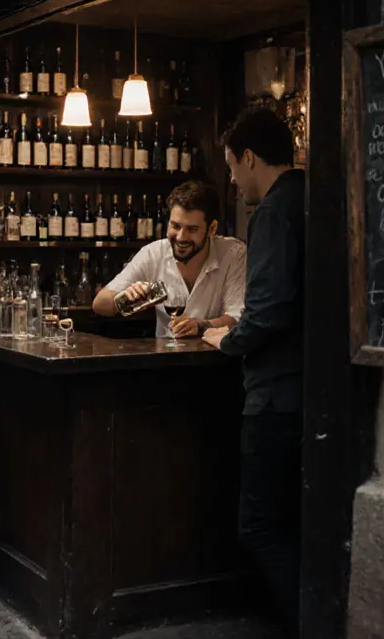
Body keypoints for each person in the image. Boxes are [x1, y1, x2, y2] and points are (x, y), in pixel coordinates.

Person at [201, 108, 304, 637]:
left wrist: (228, 338)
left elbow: (267, 310)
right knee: (297, 519)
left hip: (275, 395)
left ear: (249, 157)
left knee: (259, 524)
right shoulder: (312, 195)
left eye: (233, 168)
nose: (234, 180)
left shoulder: (272, 212)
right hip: (313, 393)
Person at [92, 180, 246, 338]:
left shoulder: (233, 253)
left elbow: (236, 318)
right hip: (166, 357)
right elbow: (99, 304)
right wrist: (125, 297)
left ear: (212, 228)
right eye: (175, 226)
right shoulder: (154, 253)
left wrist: (201, 326)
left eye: (192, 229)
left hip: (215, 358)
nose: (181, 237)